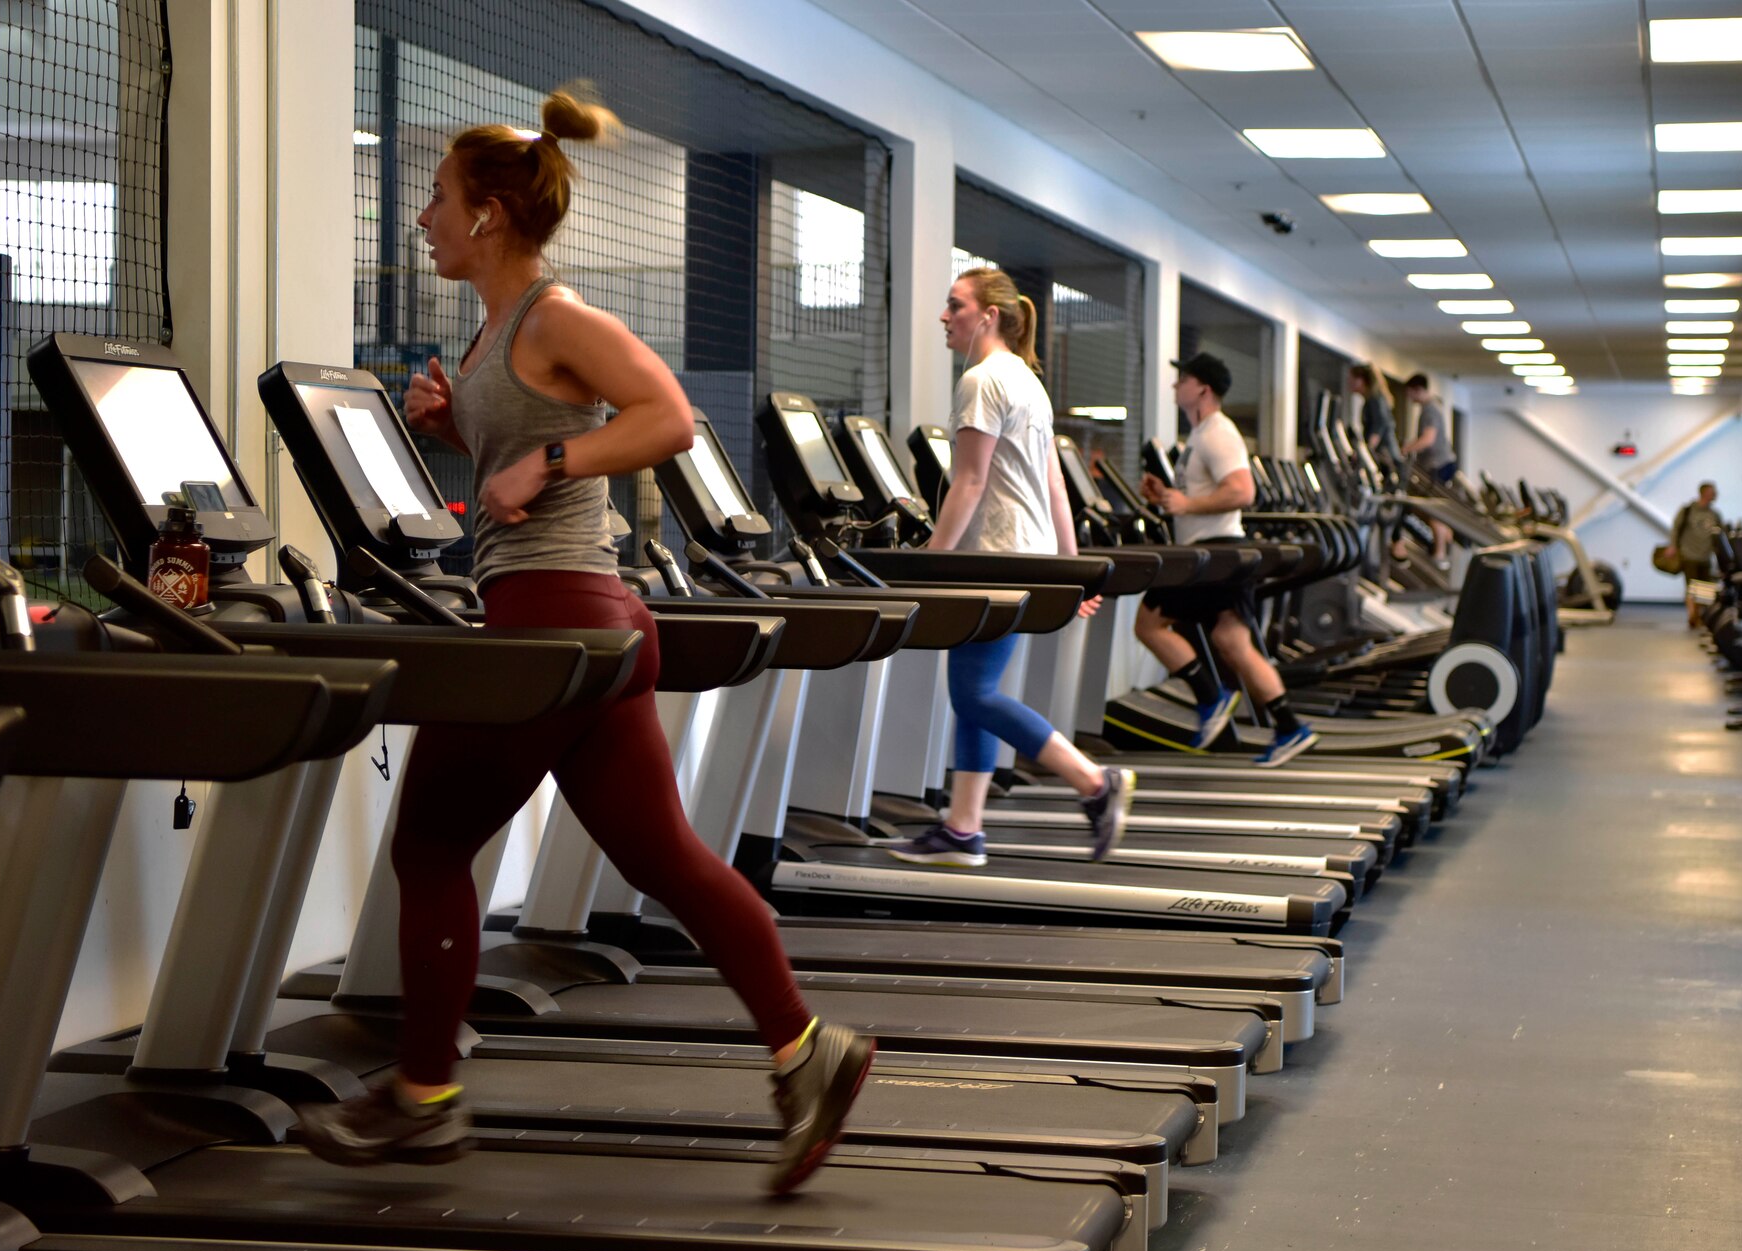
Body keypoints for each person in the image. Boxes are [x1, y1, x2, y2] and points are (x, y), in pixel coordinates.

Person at [297, 88, 872, 1195]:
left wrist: (547, 466)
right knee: (667, 862)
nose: (421, 217)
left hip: (551, 631)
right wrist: (452, 423)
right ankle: (807, 1051)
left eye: (437, 197)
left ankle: (422, 1097)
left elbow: (667, 416)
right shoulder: (502, 329)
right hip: (584, 628)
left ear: (488, 218)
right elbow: (530, 435)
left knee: (427, 850)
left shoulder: (558, 315)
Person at [888, 265, 1137, 868]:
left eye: (956, 306)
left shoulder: (980, 379)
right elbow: (1054, 485)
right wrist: (1071, 570)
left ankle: (1094, 783)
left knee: (974, 693)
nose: (945, 317)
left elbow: (969, 482)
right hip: (1026, 558)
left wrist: (932, 560)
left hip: (993, 560)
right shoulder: (1027, 380)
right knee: (974, 691)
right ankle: (963, 828)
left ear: (989, 316)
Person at [1134, 352, 1318, 768]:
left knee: (1149, 624)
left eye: (1182, 380)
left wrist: (1187, 503)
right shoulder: (1200, 436)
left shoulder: (1218, 433)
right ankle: (1289, 726)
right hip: (1214, 552)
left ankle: (1211, 696)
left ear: (1203, 388)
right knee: (1232, 642)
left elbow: (1242, 491)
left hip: (1215, 554)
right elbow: (1196, 500)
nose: (1174, 386)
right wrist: (1165, 498)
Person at [1401, 373, 1456, 565]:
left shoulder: (1429, 410)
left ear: (1418, 390)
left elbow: (1428, 439)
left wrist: (1404, 449)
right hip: (1441, 464)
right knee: (1434, 510)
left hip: (1438, 465)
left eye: (1410, 393)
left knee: (1434, 512)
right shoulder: (1432, 407)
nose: (1409, 398)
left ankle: (1439, 555)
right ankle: (1446, 550)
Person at [1666, 481, 1722, 629]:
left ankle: (1701, 615)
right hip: (1689, 554)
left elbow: (1721, 535)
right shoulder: (1688, 511)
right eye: (1712, 491)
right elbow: (1676, 529)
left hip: (1706, 556)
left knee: (1704, 588)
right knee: (1691, 587)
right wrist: (1673, 546)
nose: (1715, 494)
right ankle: (1692, 615)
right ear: (1704, 493)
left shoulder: (1715, 514)